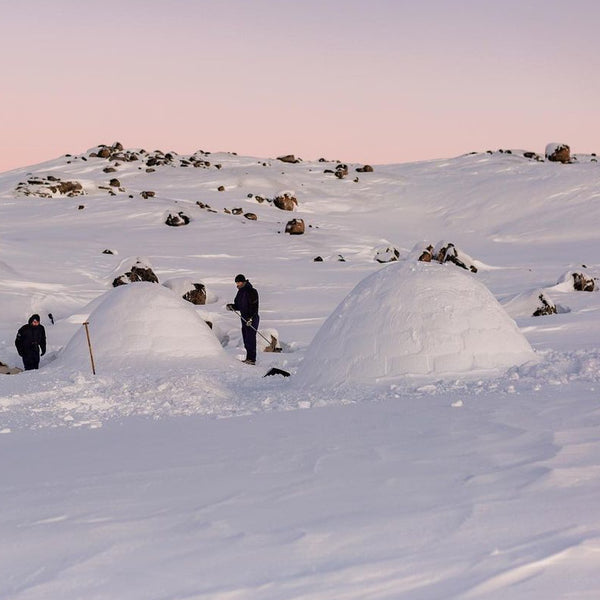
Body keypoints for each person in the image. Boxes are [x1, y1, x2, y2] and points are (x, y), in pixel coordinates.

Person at [227, 274, 259, 365]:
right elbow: (239, 306)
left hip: (252, 318)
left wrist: (251, 318)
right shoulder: (240, 292)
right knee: (246, 338)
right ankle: (249, 358)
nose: (237, 284)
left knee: (250, 338)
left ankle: (252, 359)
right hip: (244, 318)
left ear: (244, 281)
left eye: (239, 282)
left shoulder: (251, 291)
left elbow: (254, 306)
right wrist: (231, 306)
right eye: (236, 282)